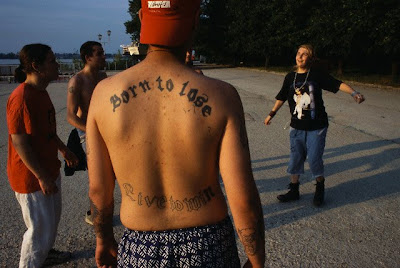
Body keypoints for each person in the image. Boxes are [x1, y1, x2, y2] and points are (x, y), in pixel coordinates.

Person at [86, 0, 265, 267]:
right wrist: (256, 258)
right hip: (207, 244)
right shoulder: (221, 96)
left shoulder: (103, 94)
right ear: (194, 21)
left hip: (139, 246)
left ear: (142, 17)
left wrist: (103, 240)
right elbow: (243, 198)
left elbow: (100, 191)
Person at [264, 44, 365, 207]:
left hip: (317, 127)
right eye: (298, 53)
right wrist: (271, 114)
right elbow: (282, 96)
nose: (300, 56)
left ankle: (319, 188)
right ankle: (294, 190)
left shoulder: (316, 75)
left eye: (305, 54)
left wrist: (354, 93)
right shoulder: (290, 77)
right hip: (296, 126)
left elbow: (337, 84)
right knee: (295, 159)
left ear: (310, 59)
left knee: (314, 159)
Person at [6, 43, 78, 267]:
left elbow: (47, 131)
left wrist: (63, 149)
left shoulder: (41, 92)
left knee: (50, 223)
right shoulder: (21, 98)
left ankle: (46, 254)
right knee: (38, 231)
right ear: (36, 66)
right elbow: (20, 144)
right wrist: (41, 176)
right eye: (52, 61)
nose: (57, 65)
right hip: (31, 177)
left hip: (48, 169)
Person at [66, 41, 107, 225]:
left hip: (104, 130)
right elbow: (71, 116)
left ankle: (105, 208)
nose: (103, 56)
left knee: (110, 173)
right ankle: (94, 214)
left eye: (103, 52)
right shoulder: (77, 81)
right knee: (96, 177)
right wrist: (91, 131)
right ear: (87, 57)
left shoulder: (103, 76)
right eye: (99, 53)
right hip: (87, 133)